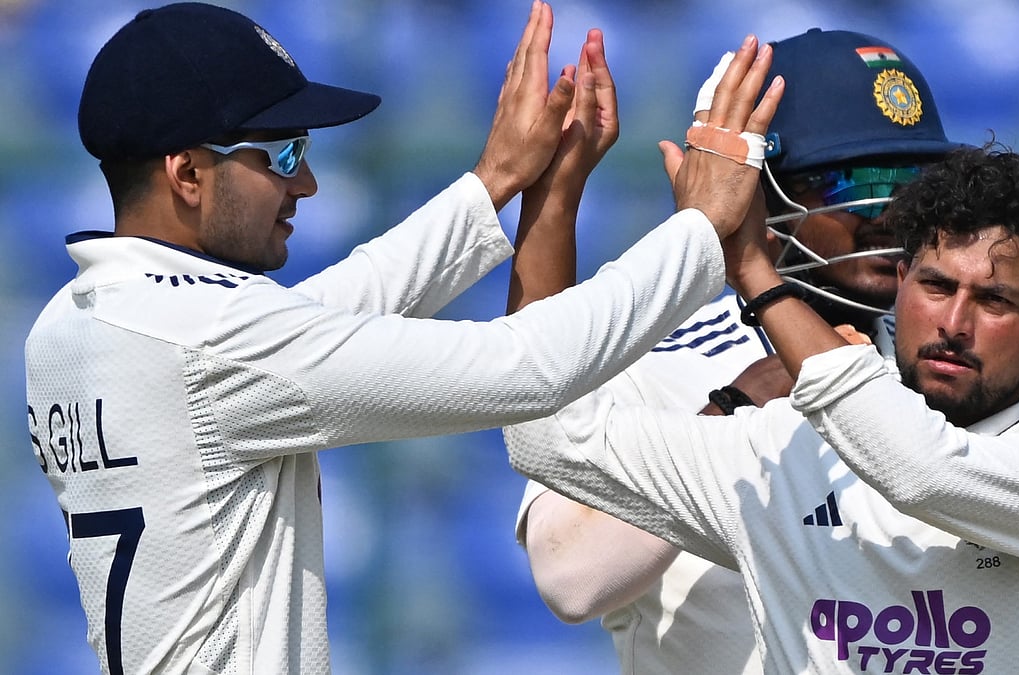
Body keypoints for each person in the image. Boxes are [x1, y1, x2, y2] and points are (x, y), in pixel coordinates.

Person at [22, 2, 786, 672]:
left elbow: (324, 316)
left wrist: (493, 182)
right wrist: (701, 229)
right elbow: (526, 367)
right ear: (188, 173)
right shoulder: (207, 342)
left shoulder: (74, 324)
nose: (306, 186)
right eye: (283, 154)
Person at [504, 143, 1019, 673]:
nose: (955, 323)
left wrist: (754, 274)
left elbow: (920, 471)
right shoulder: (780, 445)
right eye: (936, 286)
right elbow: (547, 441)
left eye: (995, 301)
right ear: (901, 284)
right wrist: (552, 195)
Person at [510, 28, 965, 675]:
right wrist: (738, 404)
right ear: (755, 186)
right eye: (847, 182)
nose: (889, 211)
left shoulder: (946, 355)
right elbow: (570, 574)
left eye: (912, 183)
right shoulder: (650, 351)